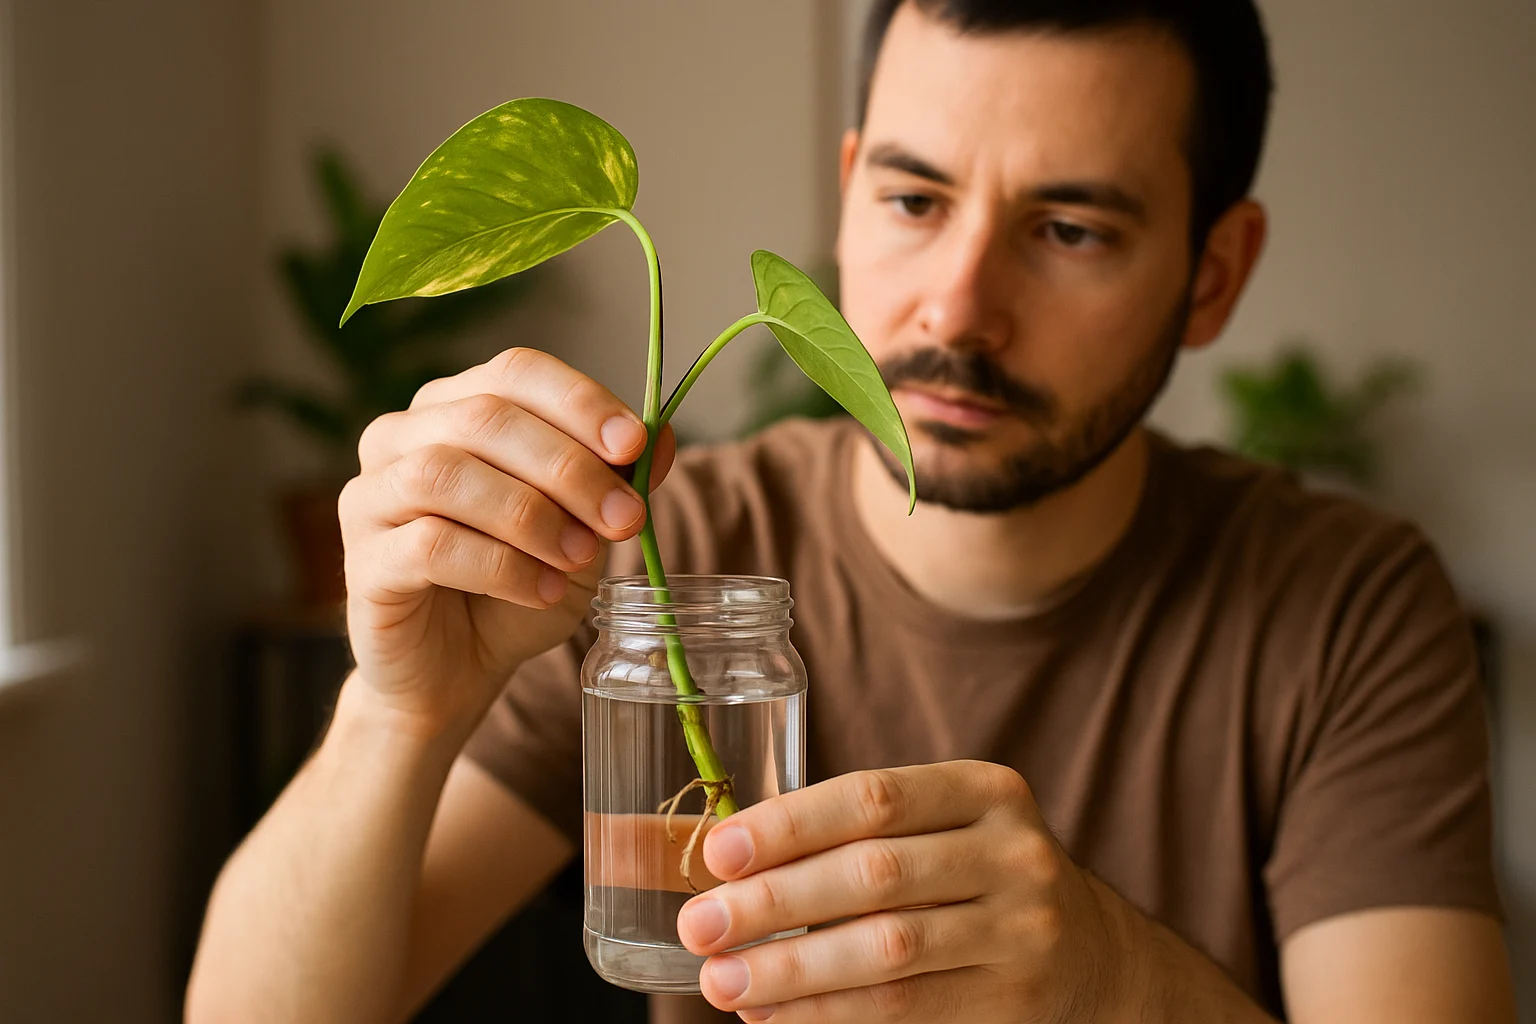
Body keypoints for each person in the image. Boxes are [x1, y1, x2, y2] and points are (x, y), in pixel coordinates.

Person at [187, 1, 1518, 1021]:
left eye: (1070, 230)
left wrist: (1118, 977)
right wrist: (397, 709)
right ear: (846, 189)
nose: (956, 307)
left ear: (1213, 273)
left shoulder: (1345, 605)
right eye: (913, 198)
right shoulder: (662, 554)